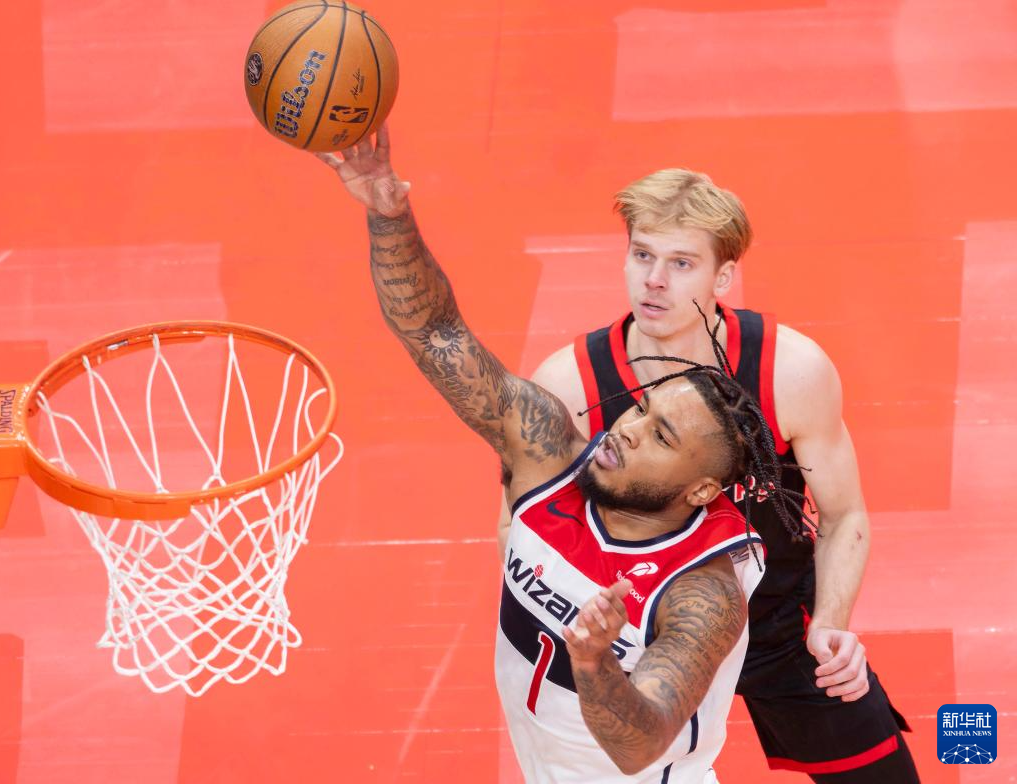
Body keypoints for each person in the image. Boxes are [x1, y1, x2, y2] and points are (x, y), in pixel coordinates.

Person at [317, 129, 811, 782]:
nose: (628, 430)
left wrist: (595, 663)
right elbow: (435, 333)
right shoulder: (547, 455)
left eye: (662, 437)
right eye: (643, 411)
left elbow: (641, 745)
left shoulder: (702, 591)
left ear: (699, 491)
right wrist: (387, 211)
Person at [496, 167, 919, 781]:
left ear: (723, 277)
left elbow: (843, 513)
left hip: (777, 624)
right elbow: (517, 524)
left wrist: (830, 624)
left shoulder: (789, 369)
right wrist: (580, 628)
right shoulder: (569, 385)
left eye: (681, 263)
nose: (654, 280)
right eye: (642, 254)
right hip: (639, 635)